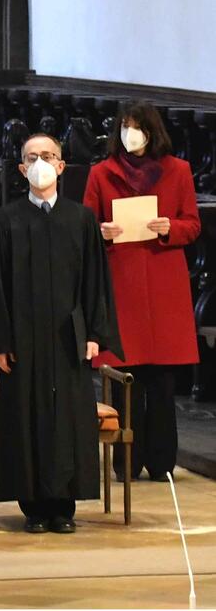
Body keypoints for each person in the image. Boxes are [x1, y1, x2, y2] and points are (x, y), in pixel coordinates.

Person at [0, 133, 123, 535]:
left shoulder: (81, 219)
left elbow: (95, 281)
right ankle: (33, 506)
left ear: (61, 166)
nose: (40, 162)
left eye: (48, 156)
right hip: (21, 339)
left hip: (68, 336)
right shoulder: (5, 220)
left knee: (68, 419)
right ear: (22, 169)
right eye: (32, 157)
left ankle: (64, 506)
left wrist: (94, 332)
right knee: (25, 416)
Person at [84, 100, 200, 481]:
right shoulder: (102, 173)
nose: (128, 134)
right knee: (123, 380)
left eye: (136, 127)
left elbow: (192, 224)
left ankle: (162, 462)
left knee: (162, 383)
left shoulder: (178, 170)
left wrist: (170, 228)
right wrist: (99, 233)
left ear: (152, 133)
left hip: (164, 283)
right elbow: (85, 225)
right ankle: (126, 461)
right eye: (123, 127)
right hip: (121, 282)